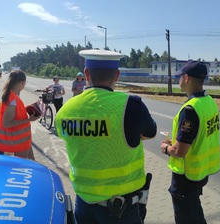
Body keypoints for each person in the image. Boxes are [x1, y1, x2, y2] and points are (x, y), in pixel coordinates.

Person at [55, 49, 157, 224]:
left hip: (84, 204)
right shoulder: (131, 106)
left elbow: (65, 135)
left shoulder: (66, 110)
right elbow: (150, 133)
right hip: (122, 208)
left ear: (86, 73)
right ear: (117, 75)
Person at [160, 61, 220, 224]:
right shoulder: (209, 102)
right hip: (200, 172)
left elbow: (180, 152)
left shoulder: (190, 110)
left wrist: (166, 148)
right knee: (195, 214)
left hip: (186, 177)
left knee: (187, 218)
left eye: (180, 75)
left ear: (186, 78)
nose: (178, 79)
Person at [0, 69, 40, 160]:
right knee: (23, 168)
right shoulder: (12, 99)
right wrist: (29, 119)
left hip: (23, 139)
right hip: (18, 141)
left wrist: (31, 106)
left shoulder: (13, 96)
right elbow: (7, 123)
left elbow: (16, 112)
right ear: (22, 82)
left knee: (32, 164)